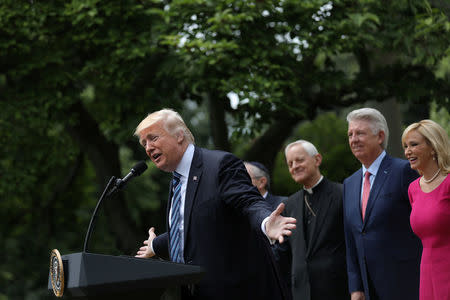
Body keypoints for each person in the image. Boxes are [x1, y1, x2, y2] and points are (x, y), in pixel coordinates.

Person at [134, 109, 296, 300]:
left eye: (153, 138)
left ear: (179, 135)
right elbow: (192, 229)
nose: (148, 147)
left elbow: (248, 202)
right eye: (144, 143)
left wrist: (267, 221)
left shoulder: (220, 165)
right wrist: (155, 245)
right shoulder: (176, 182)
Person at [343, 107, 421, 300]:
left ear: (380, 137)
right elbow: (352, 238)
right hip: (368, 290)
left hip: (405, 284)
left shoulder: (404, 171)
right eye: (350, 134)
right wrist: (356, 287)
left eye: (360, 133)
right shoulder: (349, 184)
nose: (353, 139)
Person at [280, 140, 349, 300]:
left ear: (317, 159)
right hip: (302, 292)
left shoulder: (342, 194)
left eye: (299, 160)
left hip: (338, 289)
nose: (294, 166)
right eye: (290, 163)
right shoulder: (289, 205)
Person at [402, 119, 450, 300]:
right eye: (405, 146)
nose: (407, 151)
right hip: (427, 271)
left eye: (414, 145)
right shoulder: (413, 189)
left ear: (433, 147)